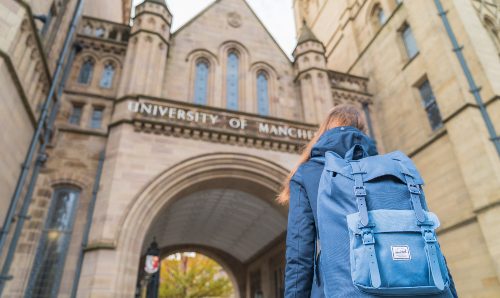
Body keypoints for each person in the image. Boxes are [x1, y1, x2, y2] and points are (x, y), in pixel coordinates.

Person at [278, 104, 458, 297]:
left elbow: (300, 253)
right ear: (363, 131)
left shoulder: (308, 173)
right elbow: (425, 234)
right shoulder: (393, 170)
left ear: (323, 130)